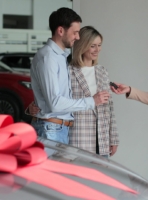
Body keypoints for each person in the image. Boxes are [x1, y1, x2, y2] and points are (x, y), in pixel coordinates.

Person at [29, 7, 110, 145]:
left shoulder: (60, 57)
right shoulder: (48, 58)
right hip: (51, 129)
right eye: (75, 33)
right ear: (61, 31)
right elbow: (55, 103)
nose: (78, 37)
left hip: (58, 129)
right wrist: (92, 101)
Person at [68, 26, 119, 157]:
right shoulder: (69, 71)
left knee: (101, 176)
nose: (97, 50)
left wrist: (113, 138)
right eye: (93, 46)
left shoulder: (102, 71)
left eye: (99, 45)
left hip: (102, 139)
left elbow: (110, 107)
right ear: (83, 45)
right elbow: (64, 103)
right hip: (79, 138)